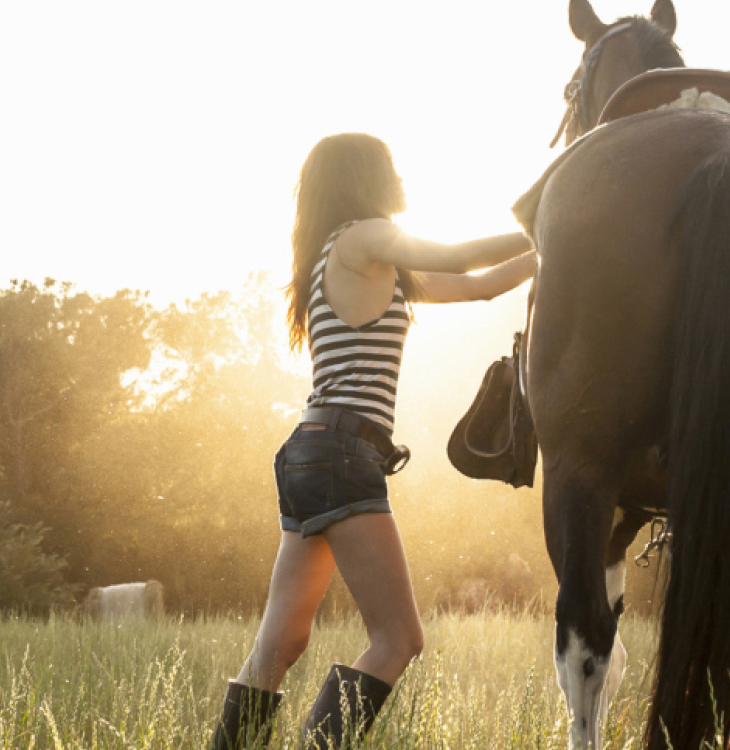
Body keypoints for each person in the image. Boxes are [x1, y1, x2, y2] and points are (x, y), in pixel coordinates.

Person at [208, 132, 536, 749]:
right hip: (342, 455)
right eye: (391, 167)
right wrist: (549, 218)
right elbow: (463, 257)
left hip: (310, 450)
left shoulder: (346, 255)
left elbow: (481, 286)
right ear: (364, 177)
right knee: (399, 639)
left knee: (280, 643)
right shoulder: (363, 236)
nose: (402, 179)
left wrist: (554, 249)